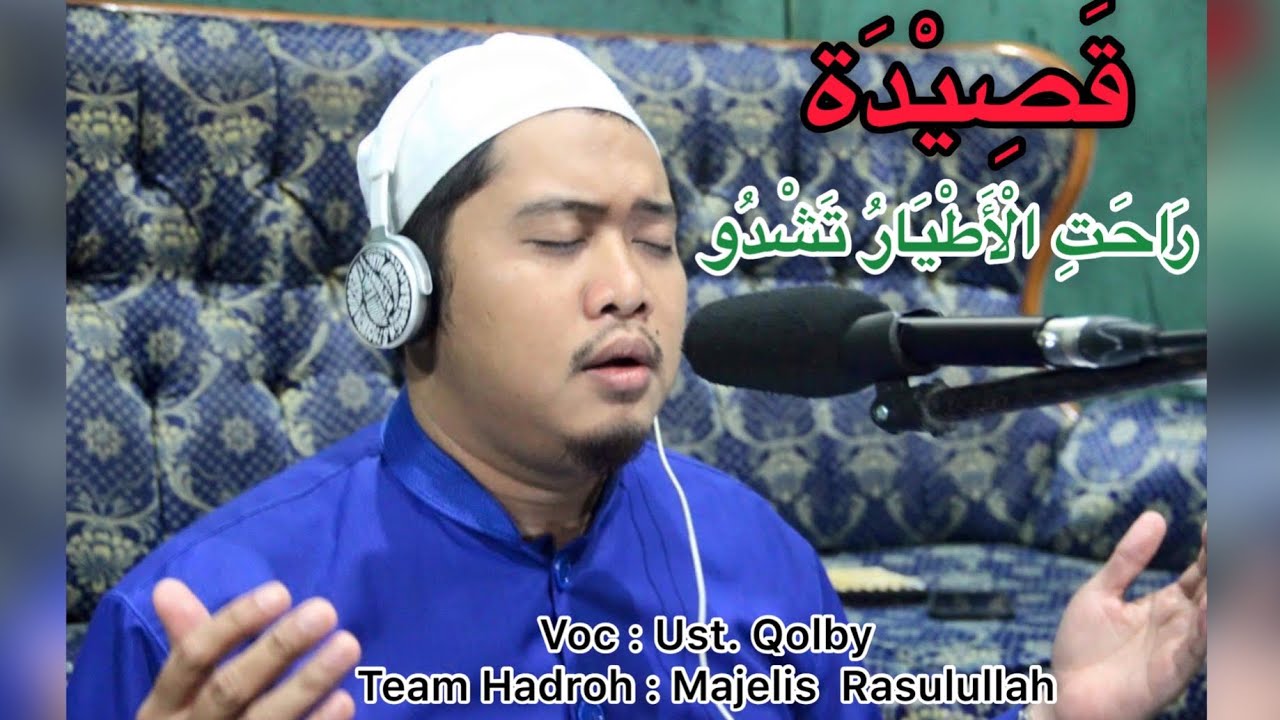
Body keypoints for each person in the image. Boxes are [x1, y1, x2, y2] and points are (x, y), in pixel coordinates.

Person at [66, 32, 1207, 720]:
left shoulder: (751, 558)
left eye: (655, 242)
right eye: (561, 239)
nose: (628, 288)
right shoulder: (207, 629)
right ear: (402, 291)